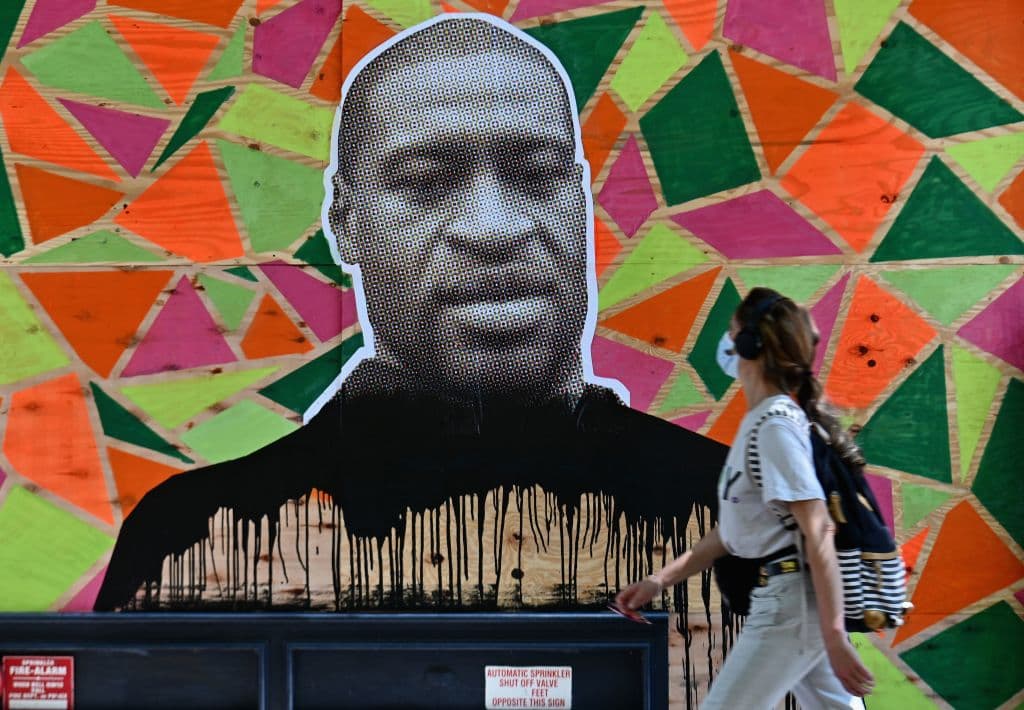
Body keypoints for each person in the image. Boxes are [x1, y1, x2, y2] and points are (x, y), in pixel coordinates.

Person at [94, 15, 727, 612]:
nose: (493, 227)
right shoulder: (192, 537)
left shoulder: (730, 507)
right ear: (346, 224)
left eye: (535, 175)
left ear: (581, 204)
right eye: (426, 182)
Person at [616, 287, 875, 708]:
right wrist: (659, 581)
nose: (727, 341)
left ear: (751, 345)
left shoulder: (775, 427)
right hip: (795, 602)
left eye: (732, 331)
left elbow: (818, 529)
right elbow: (732, 532)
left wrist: (834, 636)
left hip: (792, 606)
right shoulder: (764, 423)